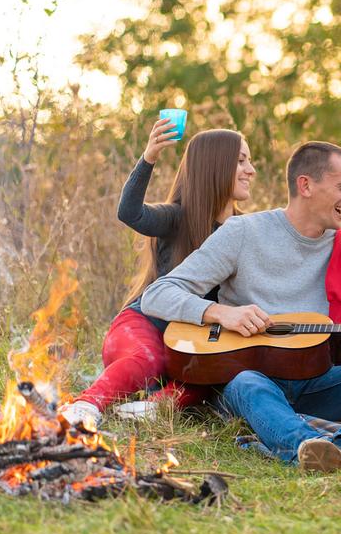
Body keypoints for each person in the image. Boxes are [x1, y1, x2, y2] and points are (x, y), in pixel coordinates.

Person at [140, 141, 341, 473]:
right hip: (253, 382)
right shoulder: (243, 233)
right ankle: (307, 448)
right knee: (245, 383)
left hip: (318, 380)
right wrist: (220, 313)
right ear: (306, 185)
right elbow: (159, 293)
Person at [60, 120, 256, 428]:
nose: (251, 170)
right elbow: (130, 212)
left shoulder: (247, 229)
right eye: (241, 161)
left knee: (218, 370)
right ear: (216, 166)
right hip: (143, 325)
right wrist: (149, 157)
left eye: (249, 161)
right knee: (150, 359)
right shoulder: (177, 218)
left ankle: (153, 409)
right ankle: (85, 405)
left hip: (195, 339)